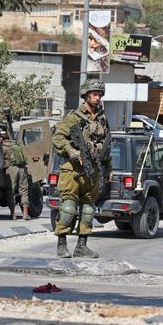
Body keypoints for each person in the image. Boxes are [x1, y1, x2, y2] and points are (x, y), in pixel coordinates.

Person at [52, 77, 112, 258]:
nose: (98, 98)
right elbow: (57, 138)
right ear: (86, 95)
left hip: (93, 170)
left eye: (100, 94)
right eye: (94, 94)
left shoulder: (102, 120)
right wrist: (71, 151)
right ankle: (61, 245)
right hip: (73, 170)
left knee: (88, 210)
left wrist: (108, 168)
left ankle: (81, 246)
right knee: (68, 208)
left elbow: (107, 146)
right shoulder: (73, 117)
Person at [0, 130, 31, 220]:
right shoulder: (17, 145)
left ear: (1, 138)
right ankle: (25, 214)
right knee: (24, 191)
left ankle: (13, 214)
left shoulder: (3, 147)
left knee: (11, 191)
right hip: (22, 168)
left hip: (11, 169)